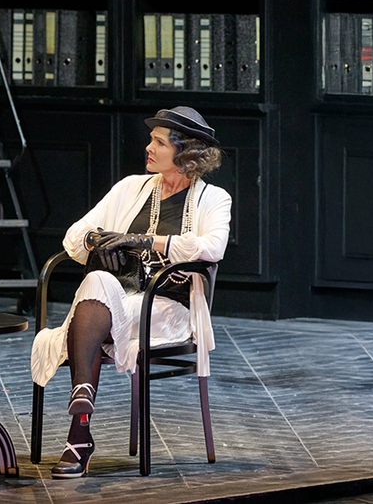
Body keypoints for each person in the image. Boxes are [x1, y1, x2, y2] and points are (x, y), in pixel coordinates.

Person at [28, 106, 232, 479]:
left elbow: (212, 247)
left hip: (167, 307)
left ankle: (79, 435)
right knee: (96, 281)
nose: (148, 148)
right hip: (114, 301)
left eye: (158, 142)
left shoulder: (214, 199)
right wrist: (97, 239)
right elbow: (73, 236)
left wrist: (143, 240)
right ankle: (83, 400)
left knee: (92, 313)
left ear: (184, 152)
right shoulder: (129, 188)